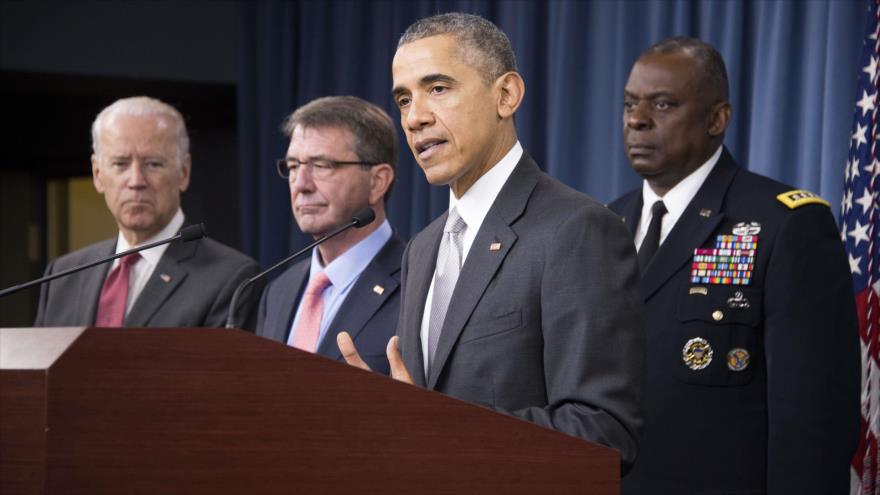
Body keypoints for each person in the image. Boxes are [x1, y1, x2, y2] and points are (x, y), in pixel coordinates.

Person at [339, 13, 645, 468]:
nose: (415, 118)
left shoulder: (576, 230)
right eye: (404, 99)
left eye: (438, 89)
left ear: (506, 95)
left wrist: (432, 424)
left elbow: (602, 431)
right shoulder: (422, 250)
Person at [609, 37, 860, 494]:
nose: (637, 120)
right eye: (630, 104)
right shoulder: (605, 225)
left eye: (663, 105)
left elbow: (813, 424)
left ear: (716, 119)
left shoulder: (785, 224)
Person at [35, 96, 262, 330]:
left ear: (184, 172)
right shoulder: (62, 276)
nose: (136, 181)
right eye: (120, 164)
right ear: (97, 174)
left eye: (153, 164)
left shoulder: (231, 279)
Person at [256, 96, 404, 375]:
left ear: (377, 181)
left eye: (321, 165)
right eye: (292, 167)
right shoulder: (277, 292)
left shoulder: (418, 284)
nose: (300, 184)